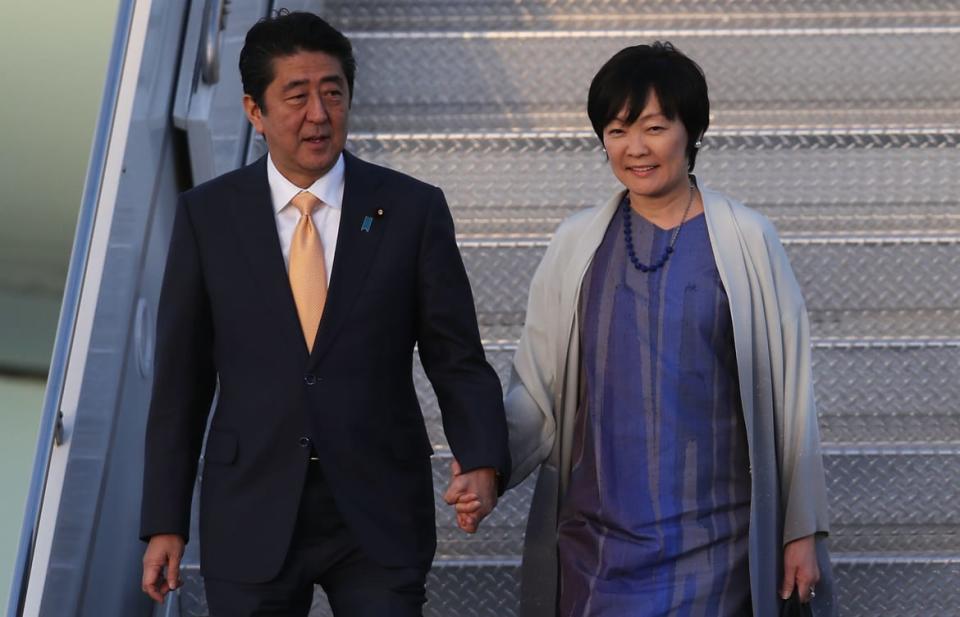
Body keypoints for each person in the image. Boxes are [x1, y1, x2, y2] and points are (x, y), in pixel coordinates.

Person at [139, 11, 509, 616]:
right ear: (253, 111)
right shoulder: (208, 217)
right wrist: (164, 521)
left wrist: (483, 457)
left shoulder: (410, 209)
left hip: (378, 506)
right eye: (297, 95)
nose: (319, 113)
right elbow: (180, 381)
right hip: (251, 502)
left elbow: (456, 356)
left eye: (332, 93)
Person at [502, 42, 836, 616]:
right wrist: (488, 464)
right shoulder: (576, 243)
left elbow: (790, 403)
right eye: (616, 130)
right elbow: (537, 390)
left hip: (716, 549)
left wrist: (801, 530)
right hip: (597, 547)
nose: (635, 148)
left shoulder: (749, 241)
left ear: (691, 131)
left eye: (654, 127)